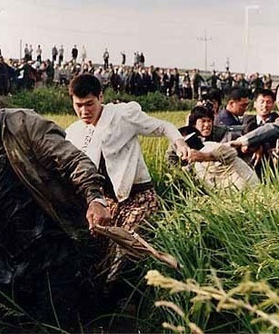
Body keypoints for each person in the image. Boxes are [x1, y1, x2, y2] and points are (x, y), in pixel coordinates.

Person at [0, 68, 110, 331]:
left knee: (57, 324)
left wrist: (95, 199)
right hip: (1, 254)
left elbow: (75, 160)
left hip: (49, 245)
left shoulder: (25, 125)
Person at [65, 73, 189, 311]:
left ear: (100, 97)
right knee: (99, 251)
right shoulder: (75, 132)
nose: (84, 111)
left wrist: (180, 142)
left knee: (126, 247)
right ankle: (108, 301)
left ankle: (115, 302)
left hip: (140, 197)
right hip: (107, 202)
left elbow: (163, 126)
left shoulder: (123, 115)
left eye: (89, 104)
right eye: (78, 105)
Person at [241, 88, 279, 176]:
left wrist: (262, 148)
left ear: (273, 105)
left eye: (268, 102)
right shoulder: (247, 121)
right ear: (255, 104)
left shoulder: (277, 121)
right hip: (250, 166)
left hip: (271, 167)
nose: (265, 105)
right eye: (261, 102)